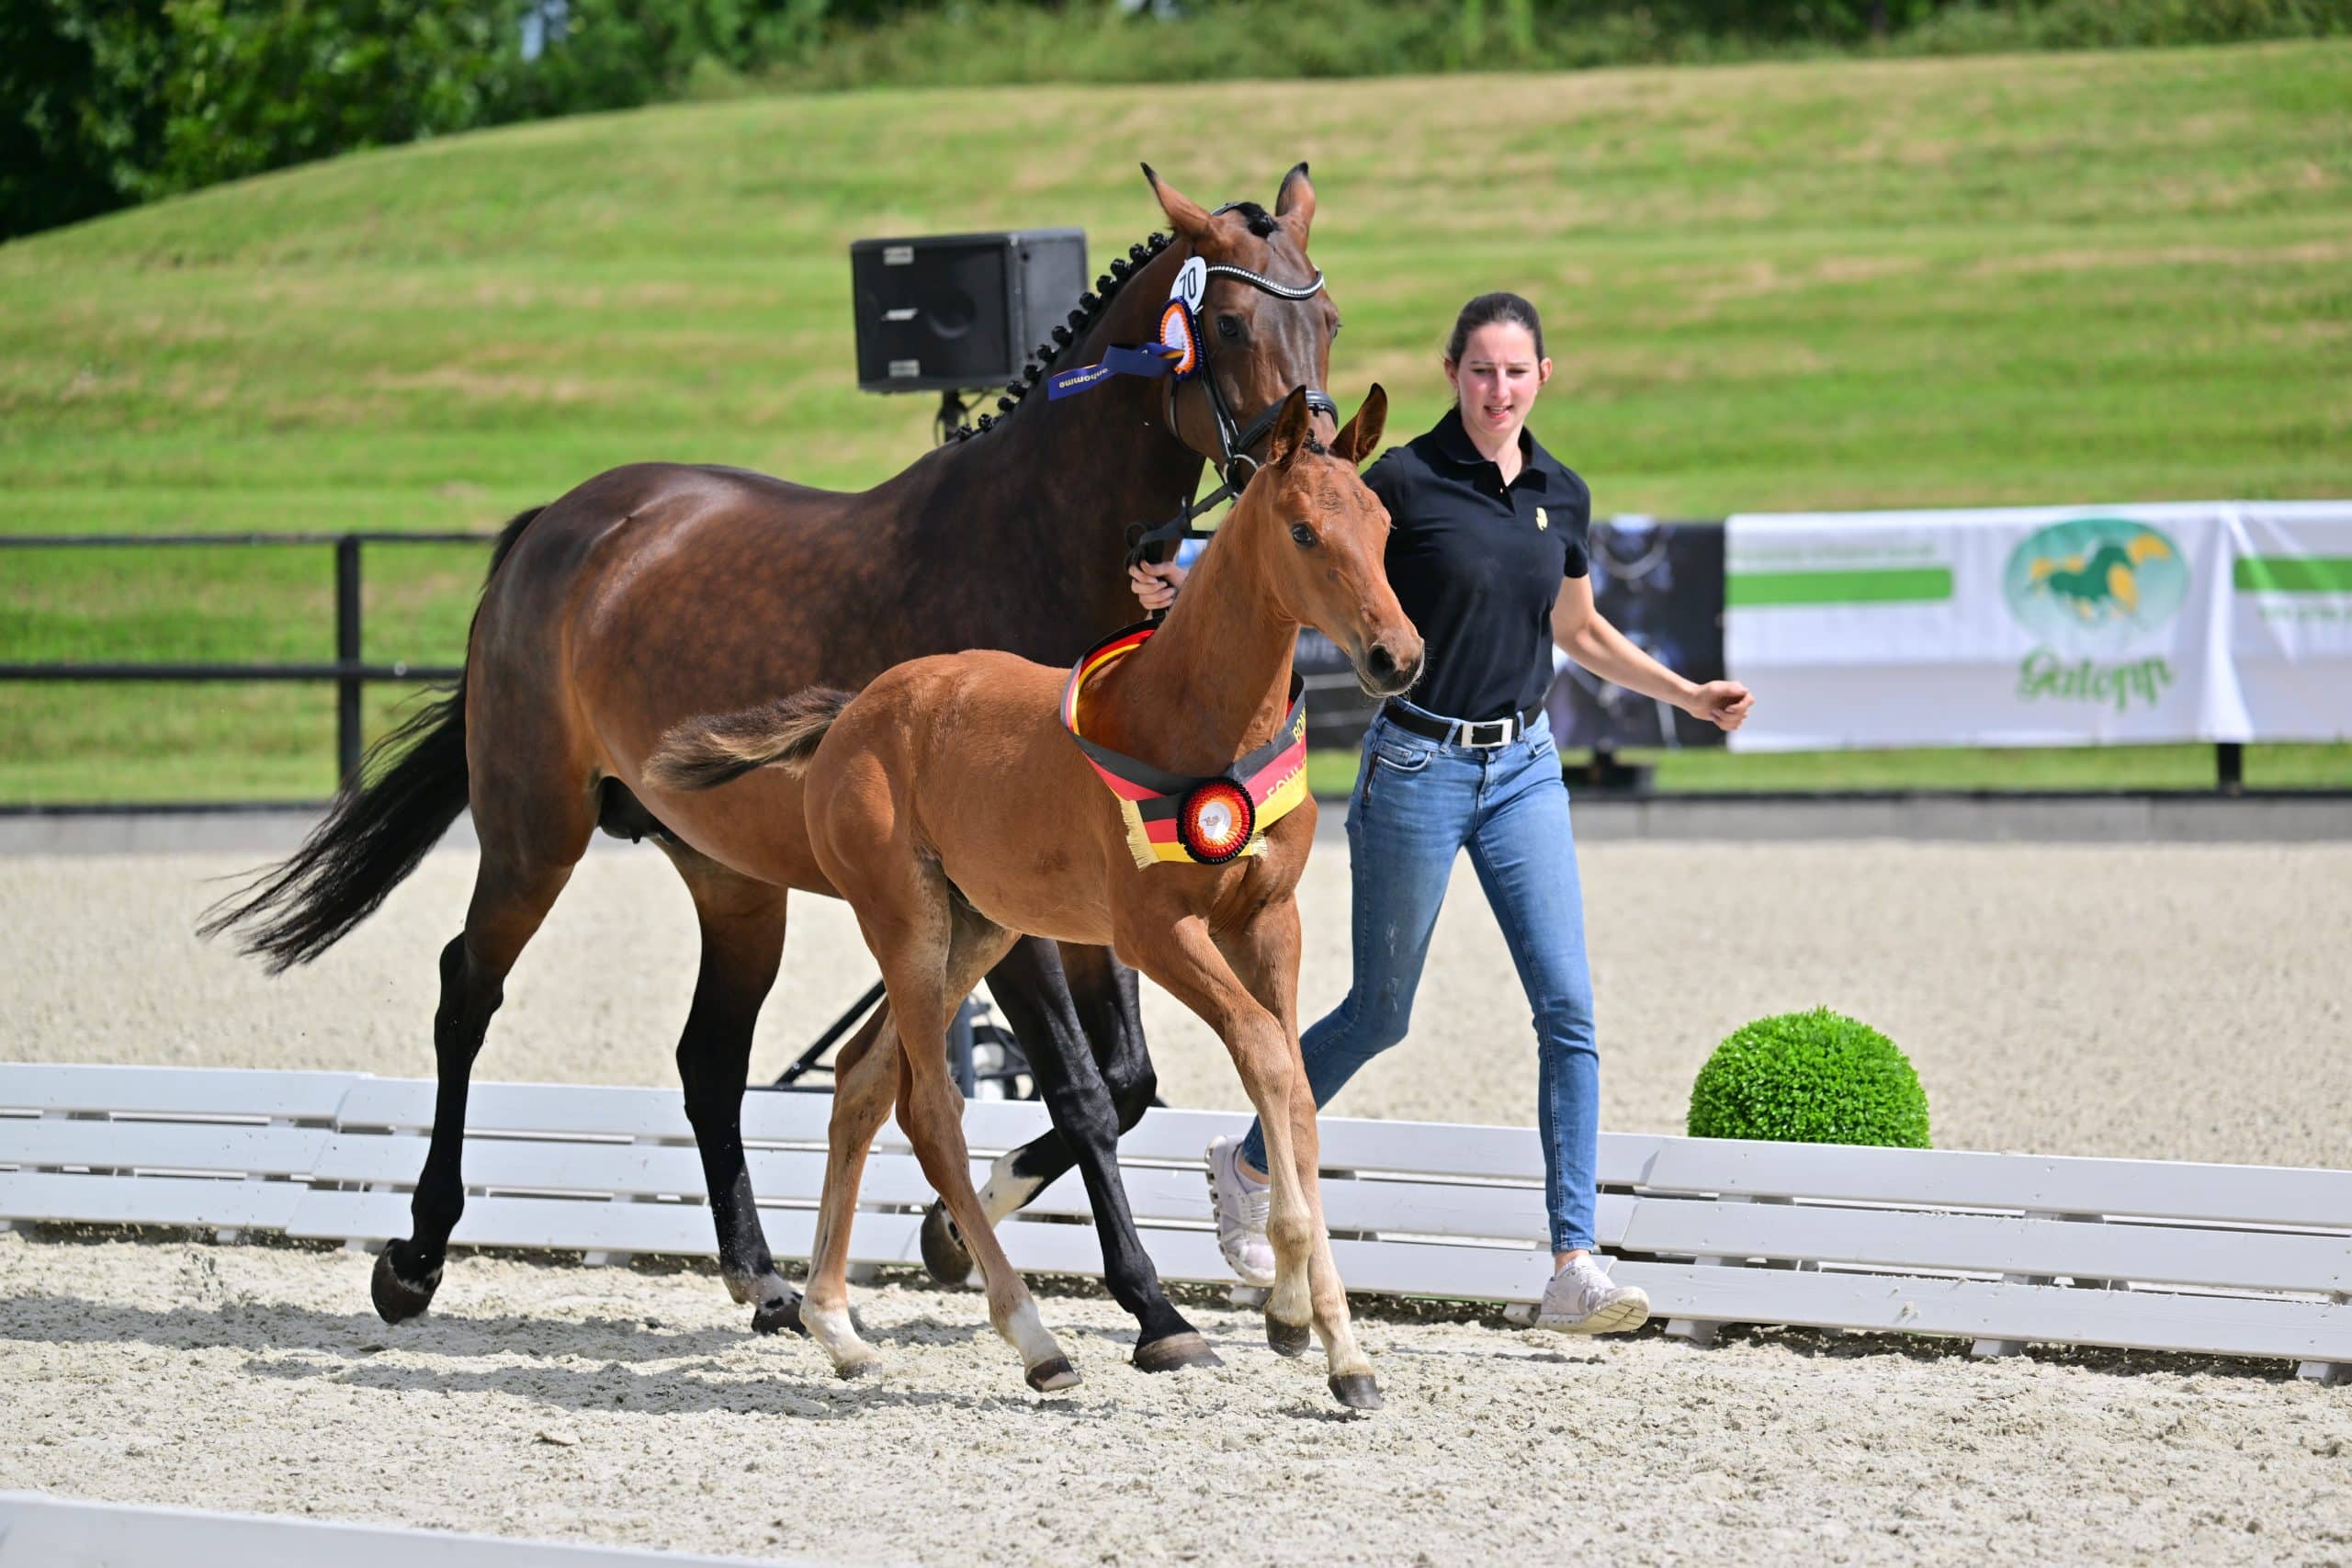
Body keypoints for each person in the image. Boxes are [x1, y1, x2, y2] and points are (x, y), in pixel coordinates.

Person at [1130, 292, 1753, 1333]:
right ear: (1453, 374)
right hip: (1416, 767)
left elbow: (1580, 629)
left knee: (1569, 1014)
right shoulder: (1405, 480)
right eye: (1479, 372)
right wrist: (1177, 581)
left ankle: (1572, 1261)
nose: (1497, 390)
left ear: (1542, 378)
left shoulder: (1561, 491)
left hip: (1524, 770)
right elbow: (1301, 537)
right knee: (1382, 1011)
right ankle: (1246, 1162)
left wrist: (1684, 696)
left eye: (1515, 373)